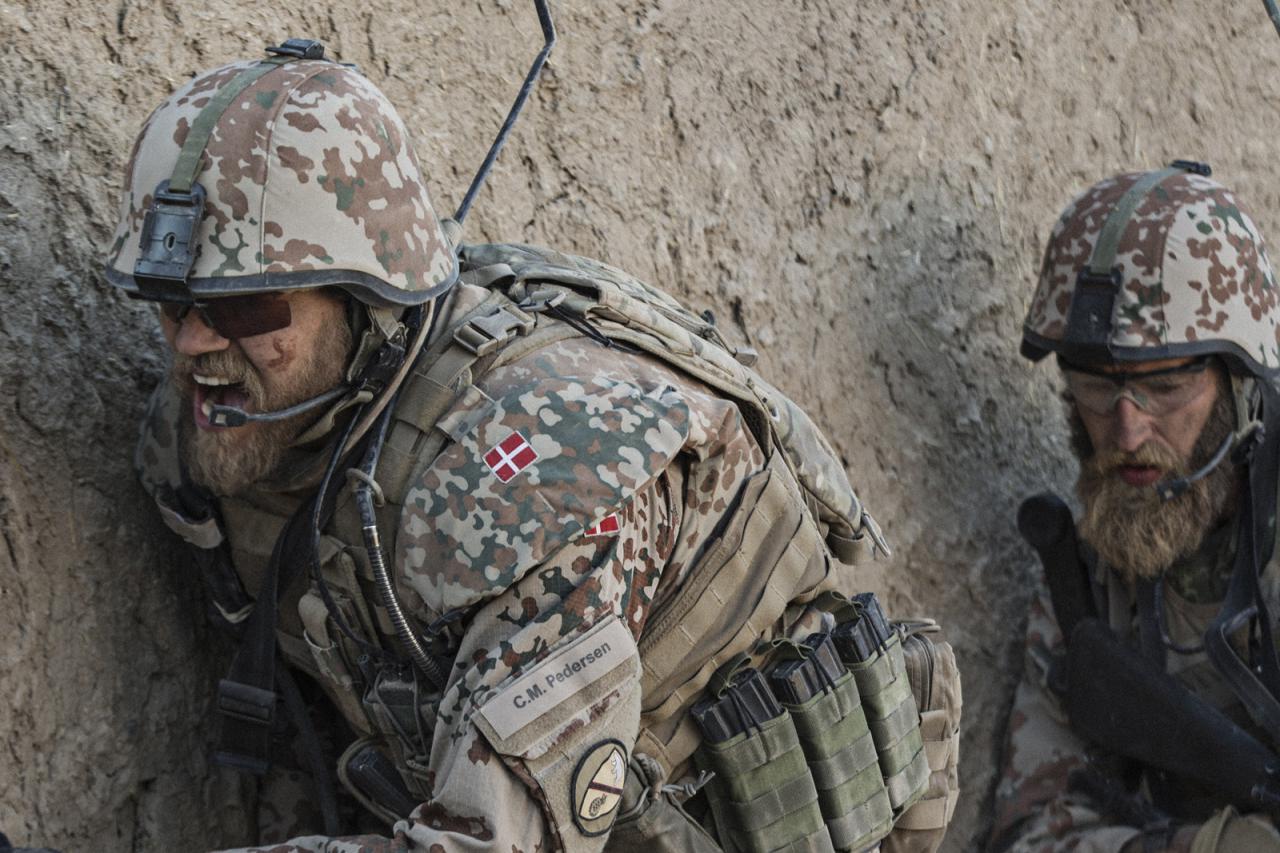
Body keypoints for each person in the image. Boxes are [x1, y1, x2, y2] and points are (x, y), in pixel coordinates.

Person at [104, 40, 958, 852]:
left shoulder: (543, 478)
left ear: (367, 299)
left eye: (244, 307)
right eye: (170, 302)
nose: (193, 343)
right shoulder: (243, 428)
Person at [992, 163, 1280, 852]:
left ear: (1240, 387)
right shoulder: (1090, 577)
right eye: (1096, 388)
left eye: (1167, 386)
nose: (1126, 433)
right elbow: (1033, 829)